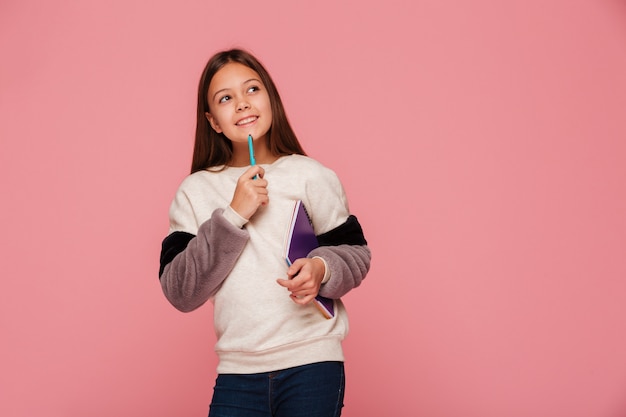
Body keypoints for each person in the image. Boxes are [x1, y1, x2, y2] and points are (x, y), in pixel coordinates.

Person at [158, 48, 371, 417]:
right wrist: (234, 214)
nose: (242, 104)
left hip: (313, 362)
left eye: (252, 90)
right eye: (226, 98)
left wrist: (321, 269)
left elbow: (356, 253)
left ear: (271, 98)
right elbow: (180, 290)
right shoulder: (194, 191)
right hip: (237, 371)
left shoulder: (311, 175)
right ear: (213, 121)